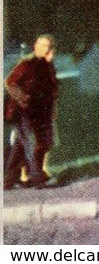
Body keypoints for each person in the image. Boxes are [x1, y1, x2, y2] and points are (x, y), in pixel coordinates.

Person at [4, 35, 59, 190]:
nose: (48, 50)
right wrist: (24, 99)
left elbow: (52, 90)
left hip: (39, 112)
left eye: (50, 47)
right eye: (44, 47)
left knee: (23, 145)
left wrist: (53, 108)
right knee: (31, 142)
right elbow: (10, 82)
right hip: (22, 111)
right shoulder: (27, 64)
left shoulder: (48, 66)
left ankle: (8, 180)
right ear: (36, 47)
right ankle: (37, 178)